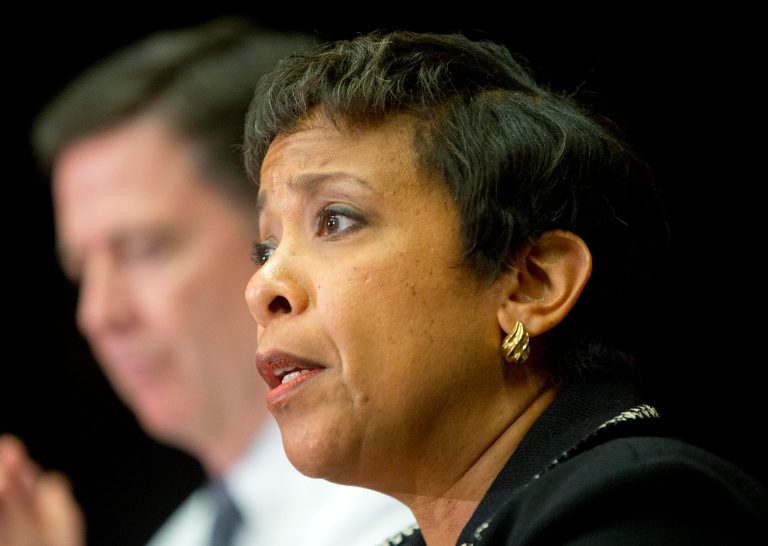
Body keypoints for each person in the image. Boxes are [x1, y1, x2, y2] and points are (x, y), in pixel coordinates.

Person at [242, 30, 768, 545]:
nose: (262, 287)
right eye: (265, 249)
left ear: (532, 284)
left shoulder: (639, 508)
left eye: (335, 219)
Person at [0, 19, 415, 546]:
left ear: (276, 230)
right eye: (81, 270)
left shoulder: (415, 502)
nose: (99, 314)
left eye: (143, 249)